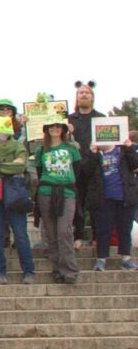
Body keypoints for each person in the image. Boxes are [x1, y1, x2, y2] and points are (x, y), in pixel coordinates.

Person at [0, 115, 36, 285]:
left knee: (20, 234)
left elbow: (21, 165)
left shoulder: (17, 145)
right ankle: (0, 272)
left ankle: (28, 271)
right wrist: (10, 166)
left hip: (15, 193)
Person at [33, 115, 82, 283]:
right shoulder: (41, 149)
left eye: (58, 126)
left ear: (63, 129)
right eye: (51, 126)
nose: (55, 129)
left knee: (64, 231)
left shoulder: (71, 148)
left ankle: (69, 270)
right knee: (51, 233)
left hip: (67, 192)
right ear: (46, 129)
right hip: (46, 192)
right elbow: (39, 171)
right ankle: (57, 269)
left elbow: (77, 169)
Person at [88, 137, 138, 271]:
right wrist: (92, 154)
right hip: (104, 198)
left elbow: (135, 164)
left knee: (124, 229)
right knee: (103, 229)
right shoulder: (95, 154)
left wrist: (129, 148)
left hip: (124, 197)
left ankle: (126, 258)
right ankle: (101, 258)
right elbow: (86, 172)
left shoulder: (122, 151)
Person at [68, 81, 105, 249]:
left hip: (96, 165)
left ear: (92, 97)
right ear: (76, 97)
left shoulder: (102, 119)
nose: (83, 95)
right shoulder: (69, 119)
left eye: (87, 93)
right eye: (80, 93)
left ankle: (97, 237)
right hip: (75, 166)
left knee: (96, 204)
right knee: (77, 202)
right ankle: (78, 237)